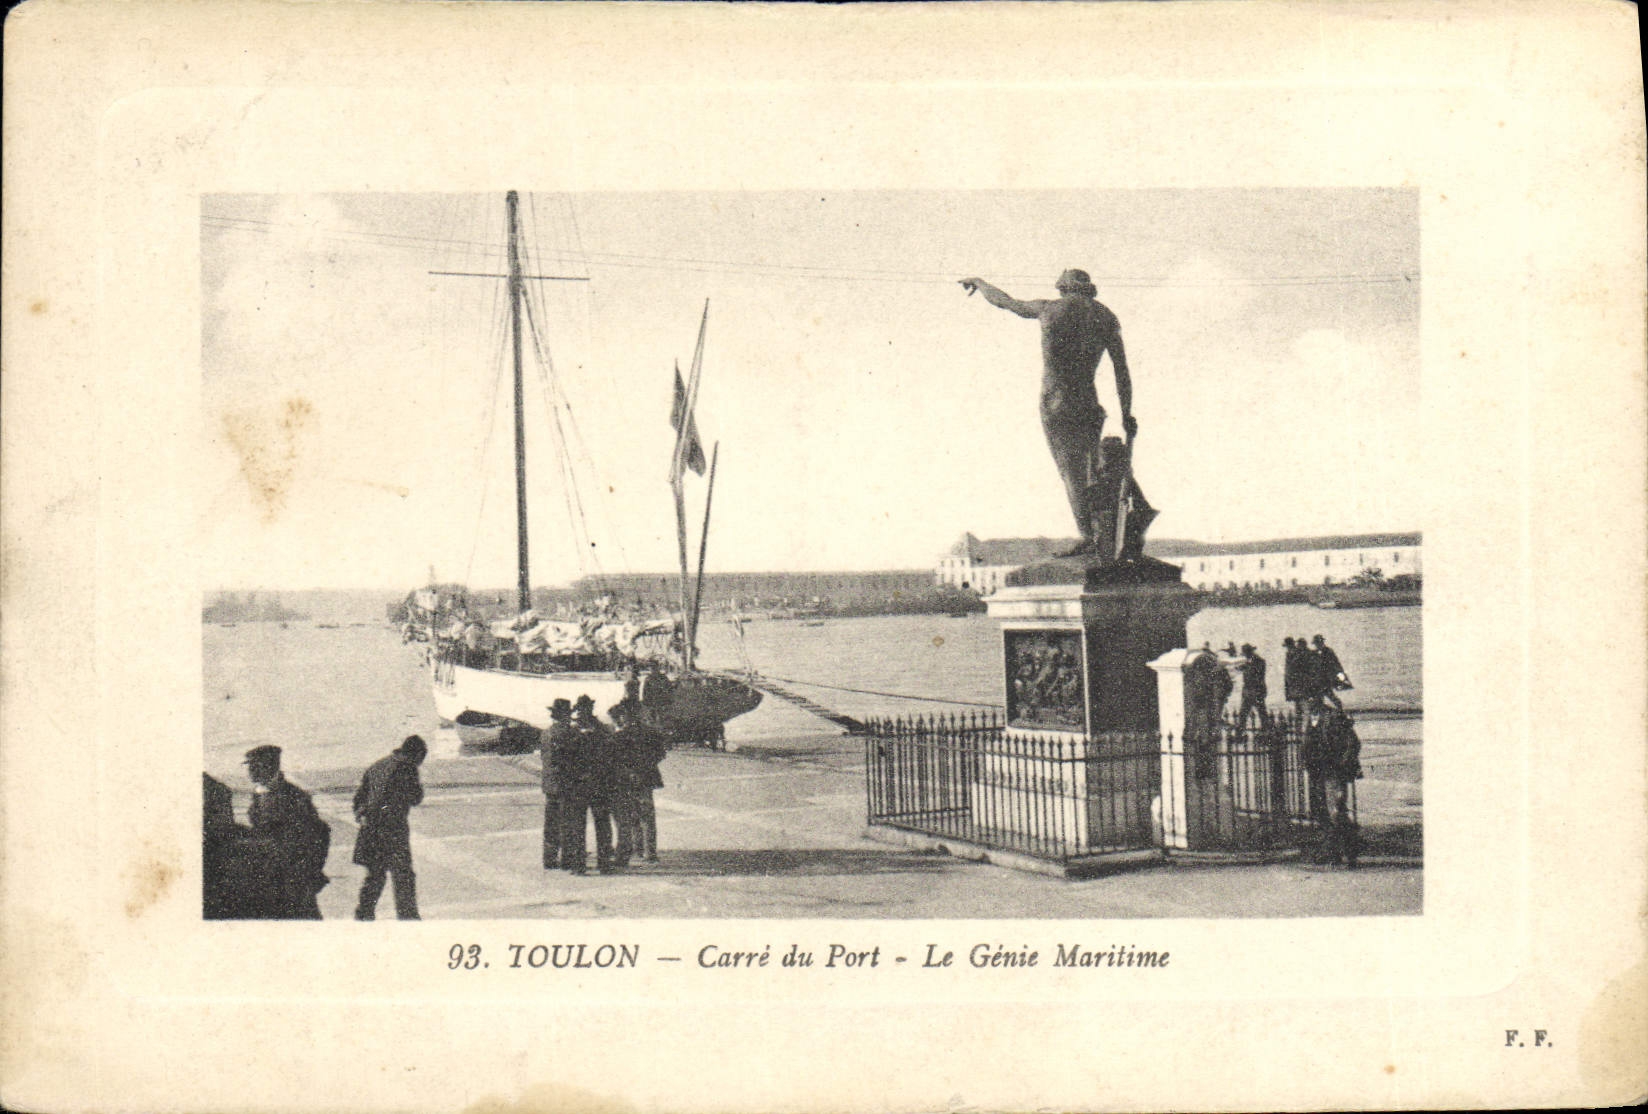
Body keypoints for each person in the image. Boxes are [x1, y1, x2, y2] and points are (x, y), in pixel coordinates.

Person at [959, 269, 1152, 560]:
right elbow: (1121, 370)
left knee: (1071, 472)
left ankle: (1089, 537)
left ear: (1063, 288)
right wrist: (1126, 413)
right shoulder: (1106, 317)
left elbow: (1006, 302)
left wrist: (980, 283)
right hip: (1088, 402)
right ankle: (1105, 532)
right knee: (1092, 469)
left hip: (1056, 402)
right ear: (1089, 289)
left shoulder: (1050, 309)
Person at [243, 745, 331, 919]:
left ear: (268, 766)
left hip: (293, 880)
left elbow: (320, 833)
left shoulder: (294, 796)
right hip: (269, 877)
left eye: (254, 766)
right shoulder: (260, 793)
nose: (249, 771)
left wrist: (310, 872)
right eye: (249, 766)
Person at [351, 735, 427, 920]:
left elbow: (358, 800)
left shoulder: (379, 765)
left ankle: (363, 914)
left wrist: (364, 815)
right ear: (416, 755)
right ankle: (408, 917)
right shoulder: (406, 767)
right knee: (403, 876)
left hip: (370, 829)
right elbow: (415, 797)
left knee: (376, 875)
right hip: (393, 830)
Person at [561, 695, 617, 875]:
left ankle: (580, 864)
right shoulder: (603, 730)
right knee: (601, 824)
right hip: (597, 784)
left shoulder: (573, 733)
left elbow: (566, 760)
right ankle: (603, 863)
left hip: (581, 785)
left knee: (580, 825)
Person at [611, 699, 664, 865]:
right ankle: (650, 852)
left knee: (631, 814)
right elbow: (661, 753)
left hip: (627, 778)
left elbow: (616, 758)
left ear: (625, 715)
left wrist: (630, 769)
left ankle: (637, 848)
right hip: (646, 777)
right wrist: (646, 765)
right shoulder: (651, 732)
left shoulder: (620, 735)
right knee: (647, 816)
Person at [540, 699, 575, 870]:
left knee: (551, 822)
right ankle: (567, 859)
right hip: (566, 784)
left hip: (549, 784)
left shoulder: (545, 733)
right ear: (565, 716)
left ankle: (549, 857)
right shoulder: (569, 734)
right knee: (566, 822)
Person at [1311, 633, 1352, 712]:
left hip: (1326, 679)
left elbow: (1336, 664)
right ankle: (1331, 713)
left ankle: (1339, 711)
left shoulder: (1328, 651)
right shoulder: (1315, 653)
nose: (1317, 645)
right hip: (1319, 680)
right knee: (1321, 698)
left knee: (1328, 696)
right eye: (1317, 643)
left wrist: (1340, 675)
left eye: (1318, 643)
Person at [1236, 643, 1271, 729]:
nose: (1245, 656)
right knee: (1245, 712)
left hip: (1256, 690)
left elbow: (1256, 674)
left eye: (1245, 654)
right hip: (1249, 690)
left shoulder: (1258, 661)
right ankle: (1241, 728)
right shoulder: (1249, 661)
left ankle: (1265, 730)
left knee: (1260, 711)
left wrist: (1245, 667)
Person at [1282, 637, 1310, 716]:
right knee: (1299, 709)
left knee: (1304, 708)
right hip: (1294, 686)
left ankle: (1305, 727)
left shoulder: (1298, 654)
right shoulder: (1290, 654)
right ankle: (1300, 727)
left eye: (1288, 646)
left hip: (1300, 685)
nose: (1287, 648)